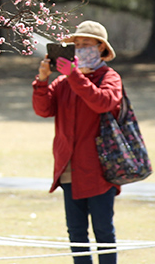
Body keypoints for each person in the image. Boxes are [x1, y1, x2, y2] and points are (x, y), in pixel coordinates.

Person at [33, 20, 124, 264]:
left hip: (100, 169)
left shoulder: (109, 77)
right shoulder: (63, 82)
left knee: (103, 230)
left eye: (87, 44)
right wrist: (42, 81)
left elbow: (103, 102)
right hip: (68, 167)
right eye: (77, 44)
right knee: (76, 233)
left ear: (101, 48)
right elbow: (43, 110)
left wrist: (74, 77)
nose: (81, 48)